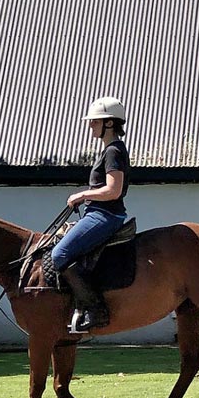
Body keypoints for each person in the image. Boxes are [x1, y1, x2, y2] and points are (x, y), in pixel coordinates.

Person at [50, 96, 131, 332]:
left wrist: (82, 195)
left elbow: (114, 190)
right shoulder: (109, 151)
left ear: (109, 123)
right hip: (97, 213)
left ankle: (96, 310)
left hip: (105, 215)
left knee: (59, 254)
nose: (90, 125)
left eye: (95, 121)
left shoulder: (113, 151)